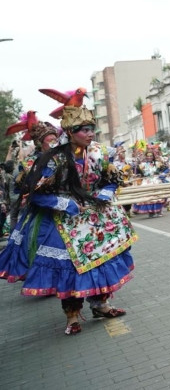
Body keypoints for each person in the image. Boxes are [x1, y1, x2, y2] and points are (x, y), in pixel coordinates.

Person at [0, 105, 136, 336]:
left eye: (91, 128)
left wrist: (105, 192)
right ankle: (72, 316)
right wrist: (66, 204)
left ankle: (101, 305)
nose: (90, 133)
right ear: (70, 132)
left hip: (96, 217)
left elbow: (112, 178)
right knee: (70, 268)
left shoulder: (99, 153)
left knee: (102, 260)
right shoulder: (54, 160)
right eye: (84, 129)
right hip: (64, 220)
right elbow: (36, 193)